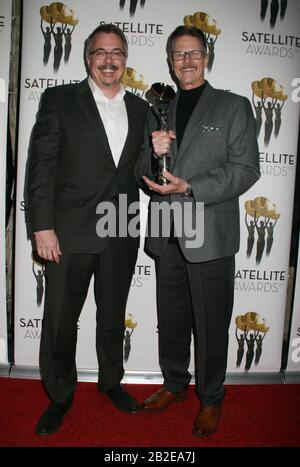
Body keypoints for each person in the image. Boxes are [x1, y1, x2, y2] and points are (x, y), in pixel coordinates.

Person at [135, 25, 260, 437]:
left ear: (206, 57)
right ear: (169, 62)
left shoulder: (233, 106)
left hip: (209, 234)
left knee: (210, 323)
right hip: (166, 233)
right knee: (171, 319)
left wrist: (191, 187)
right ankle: (174, 384)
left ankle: (211, 396)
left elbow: (246, 170)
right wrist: (151, 158)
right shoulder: (156, 108)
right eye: (178, 54)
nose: (186, 61)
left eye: (193, 53)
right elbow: (141, 171)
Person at [26, 23, 148, 436]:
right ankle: (60, 395)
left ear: (126, 59)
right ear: (88, 57)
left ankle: (112, 383)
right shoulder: (59, 100)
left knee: (112, 318)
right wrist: (42, 226)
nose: (109, 60)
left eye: (116, 52)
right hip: (70, 231)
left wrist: (163, 153)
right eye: (100, 52)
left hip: (121, 230)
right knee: (61, 319)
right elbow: (40, 167)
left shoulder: (142, 109)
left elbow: (145, 171)